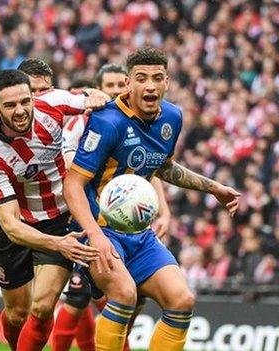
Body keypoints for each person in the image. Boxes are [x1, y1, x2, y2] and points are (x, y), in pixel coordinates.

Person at [64, 47, 240, 351]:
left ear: (167, 81)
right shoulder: (107, 122)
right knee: (123, 293)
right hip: (99, 231)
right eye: (141, 78)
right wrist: (95, 236)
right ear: (128, 83)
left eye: (157, 78)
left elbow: (163, 166)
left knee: (182, 299)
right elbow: (73, 185)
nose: (150, 86)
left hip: (139, 235)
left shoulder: (172, 116)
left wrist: (214, 188)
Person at [0, 69, 107, 351]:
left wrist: (95, 94)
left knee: (41, 307)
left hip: (59, 219)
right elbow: (11, 226)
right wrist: (57, 244)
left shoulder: (53, 104)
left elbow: (94, 100)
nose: (20, 110)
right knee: (16, 314)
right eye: (10, 105)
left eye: (25, 101)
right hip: (18, 226)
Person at [54, 63, 174, 351]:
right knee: (81, 299)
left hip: (128, 229)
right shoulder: (84, 126)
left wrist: (164, 211)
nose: (117, 92)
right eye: (110, 87)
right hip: (83, 224)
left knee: (125, 303)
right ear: (99, 90)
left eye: (121, 86)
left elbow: (145, 173)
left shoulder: (136, 124)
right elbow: (74, 178)